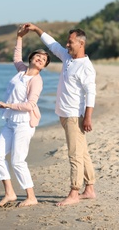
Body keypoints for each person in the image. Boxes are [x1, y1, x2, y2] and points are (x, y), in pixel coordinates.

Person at [25, 23, 97, 206]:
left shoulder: (85, 67)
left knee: (74, 155)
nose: (67, 45)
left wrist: (88, 117)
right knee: (83, 153)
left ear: (81, 43)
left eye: (70, 42)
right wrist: (36, 30)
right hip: (65, 114)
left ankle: (74, 192)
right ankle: (89, 189)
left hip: (75, 116)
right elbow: (52, 44)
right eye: (67, 42)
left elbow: (91, 93)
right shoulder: (68, 58)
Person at [0, 24, 50, 208]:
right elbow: (16, 56)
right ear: (32, 58)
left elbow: (30, 105)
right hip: (10, 122)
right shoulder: (22, 71)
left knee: (17, 160)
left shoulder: (36, 81)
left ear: (44, 66)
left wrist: (7, 104)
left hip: (24, 123)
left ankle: (31, 197)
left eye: (44, 59)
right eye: (38, 56)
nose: (40, 59)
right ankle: (9, 193)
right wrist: (19, 37)